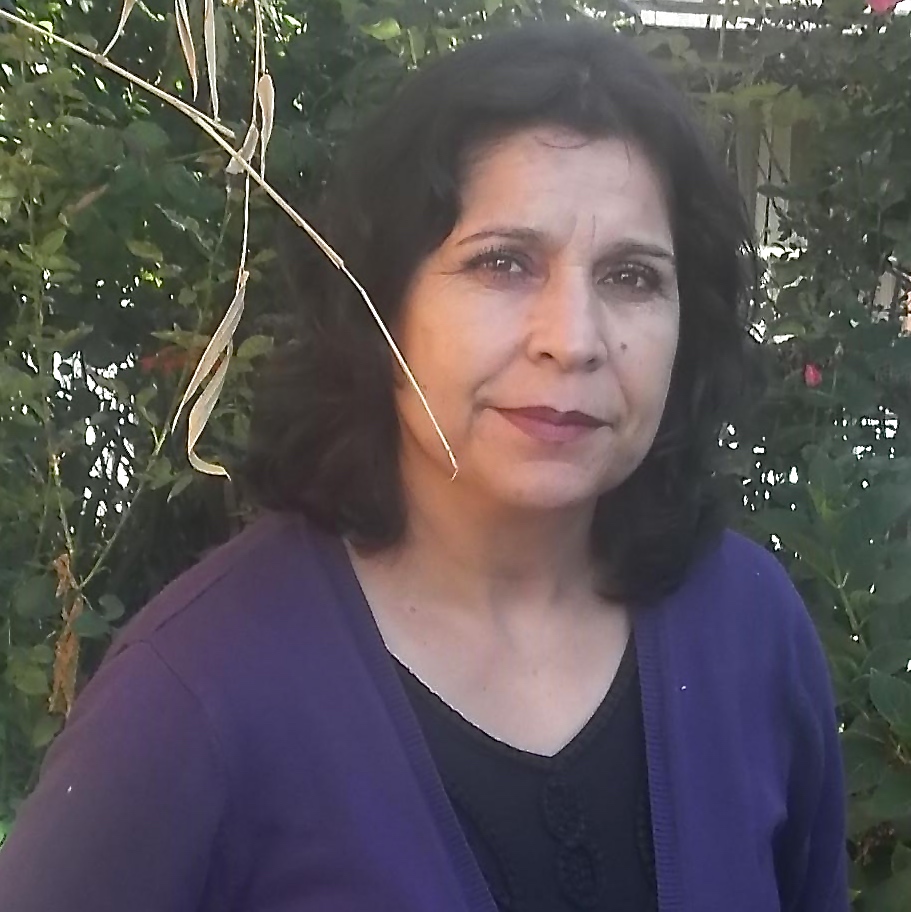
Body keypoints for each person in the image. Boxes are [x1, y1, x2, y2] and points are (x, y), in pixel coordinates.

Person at [0, 20, 847, 912]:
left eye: (631, 277)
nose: (573, 340)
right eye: (503, 263)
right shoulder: (195, 695)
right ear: (379, 300)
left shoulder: (749, 632)